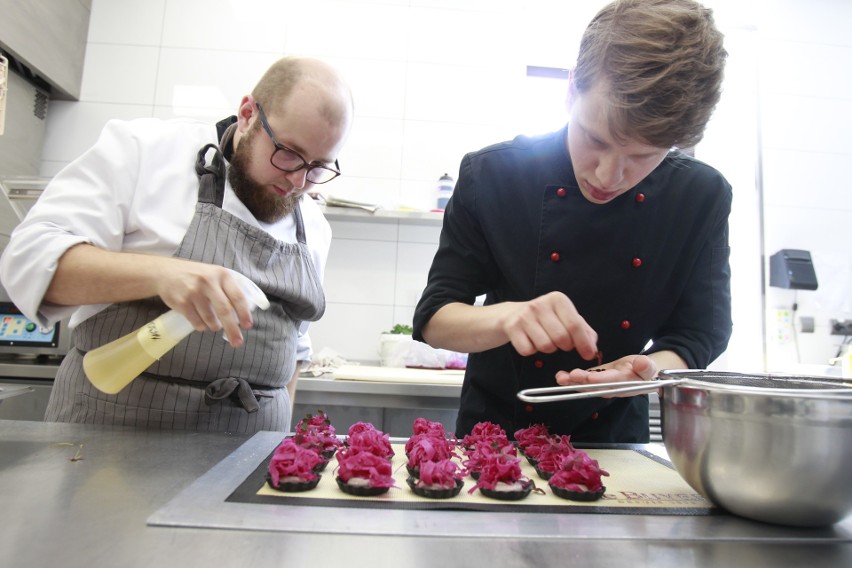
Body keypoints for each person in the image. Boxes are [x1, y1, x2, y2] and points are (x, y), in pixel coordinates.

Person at [413, 0, 732, 443]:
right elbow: (435, 318)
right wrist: (509, 318)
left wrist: (646, 370)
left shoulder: (701, 196)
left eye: (642, 157)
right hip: (496, 439)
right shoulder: (493, 174)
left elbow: (700, 332)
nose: (607, 176)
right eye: (594, 138)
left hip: (617, 444)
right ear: (569, 92)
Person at [0, 56, 354, 432]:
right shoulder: (146, 152)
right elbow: (29, 260)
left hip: (242, 465)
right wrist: (161, 274)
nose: (298, 182)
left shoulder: (313, 227)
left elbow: (293, 352)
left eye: (318, 167)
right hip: (105, 453)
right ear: (248, 113)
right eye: (288, 153)